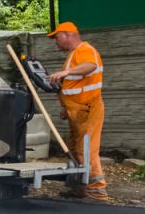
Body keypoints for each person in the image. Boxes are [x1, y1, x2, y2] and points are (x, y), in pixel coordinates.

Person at [46, 21, 107, 201]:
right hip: (78, 111)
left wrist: (65, 73)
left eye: (57, 38)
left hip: (88, 109)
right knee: (74, 149)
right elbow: (76, 85)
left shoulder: (84, 50)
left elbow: (91, 66)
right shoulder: (74, 55)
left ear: (68, 35)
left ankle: (98, 191)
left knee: (86, 149)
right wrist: (67, 108)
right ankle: (79, 188)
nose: (56, 42)